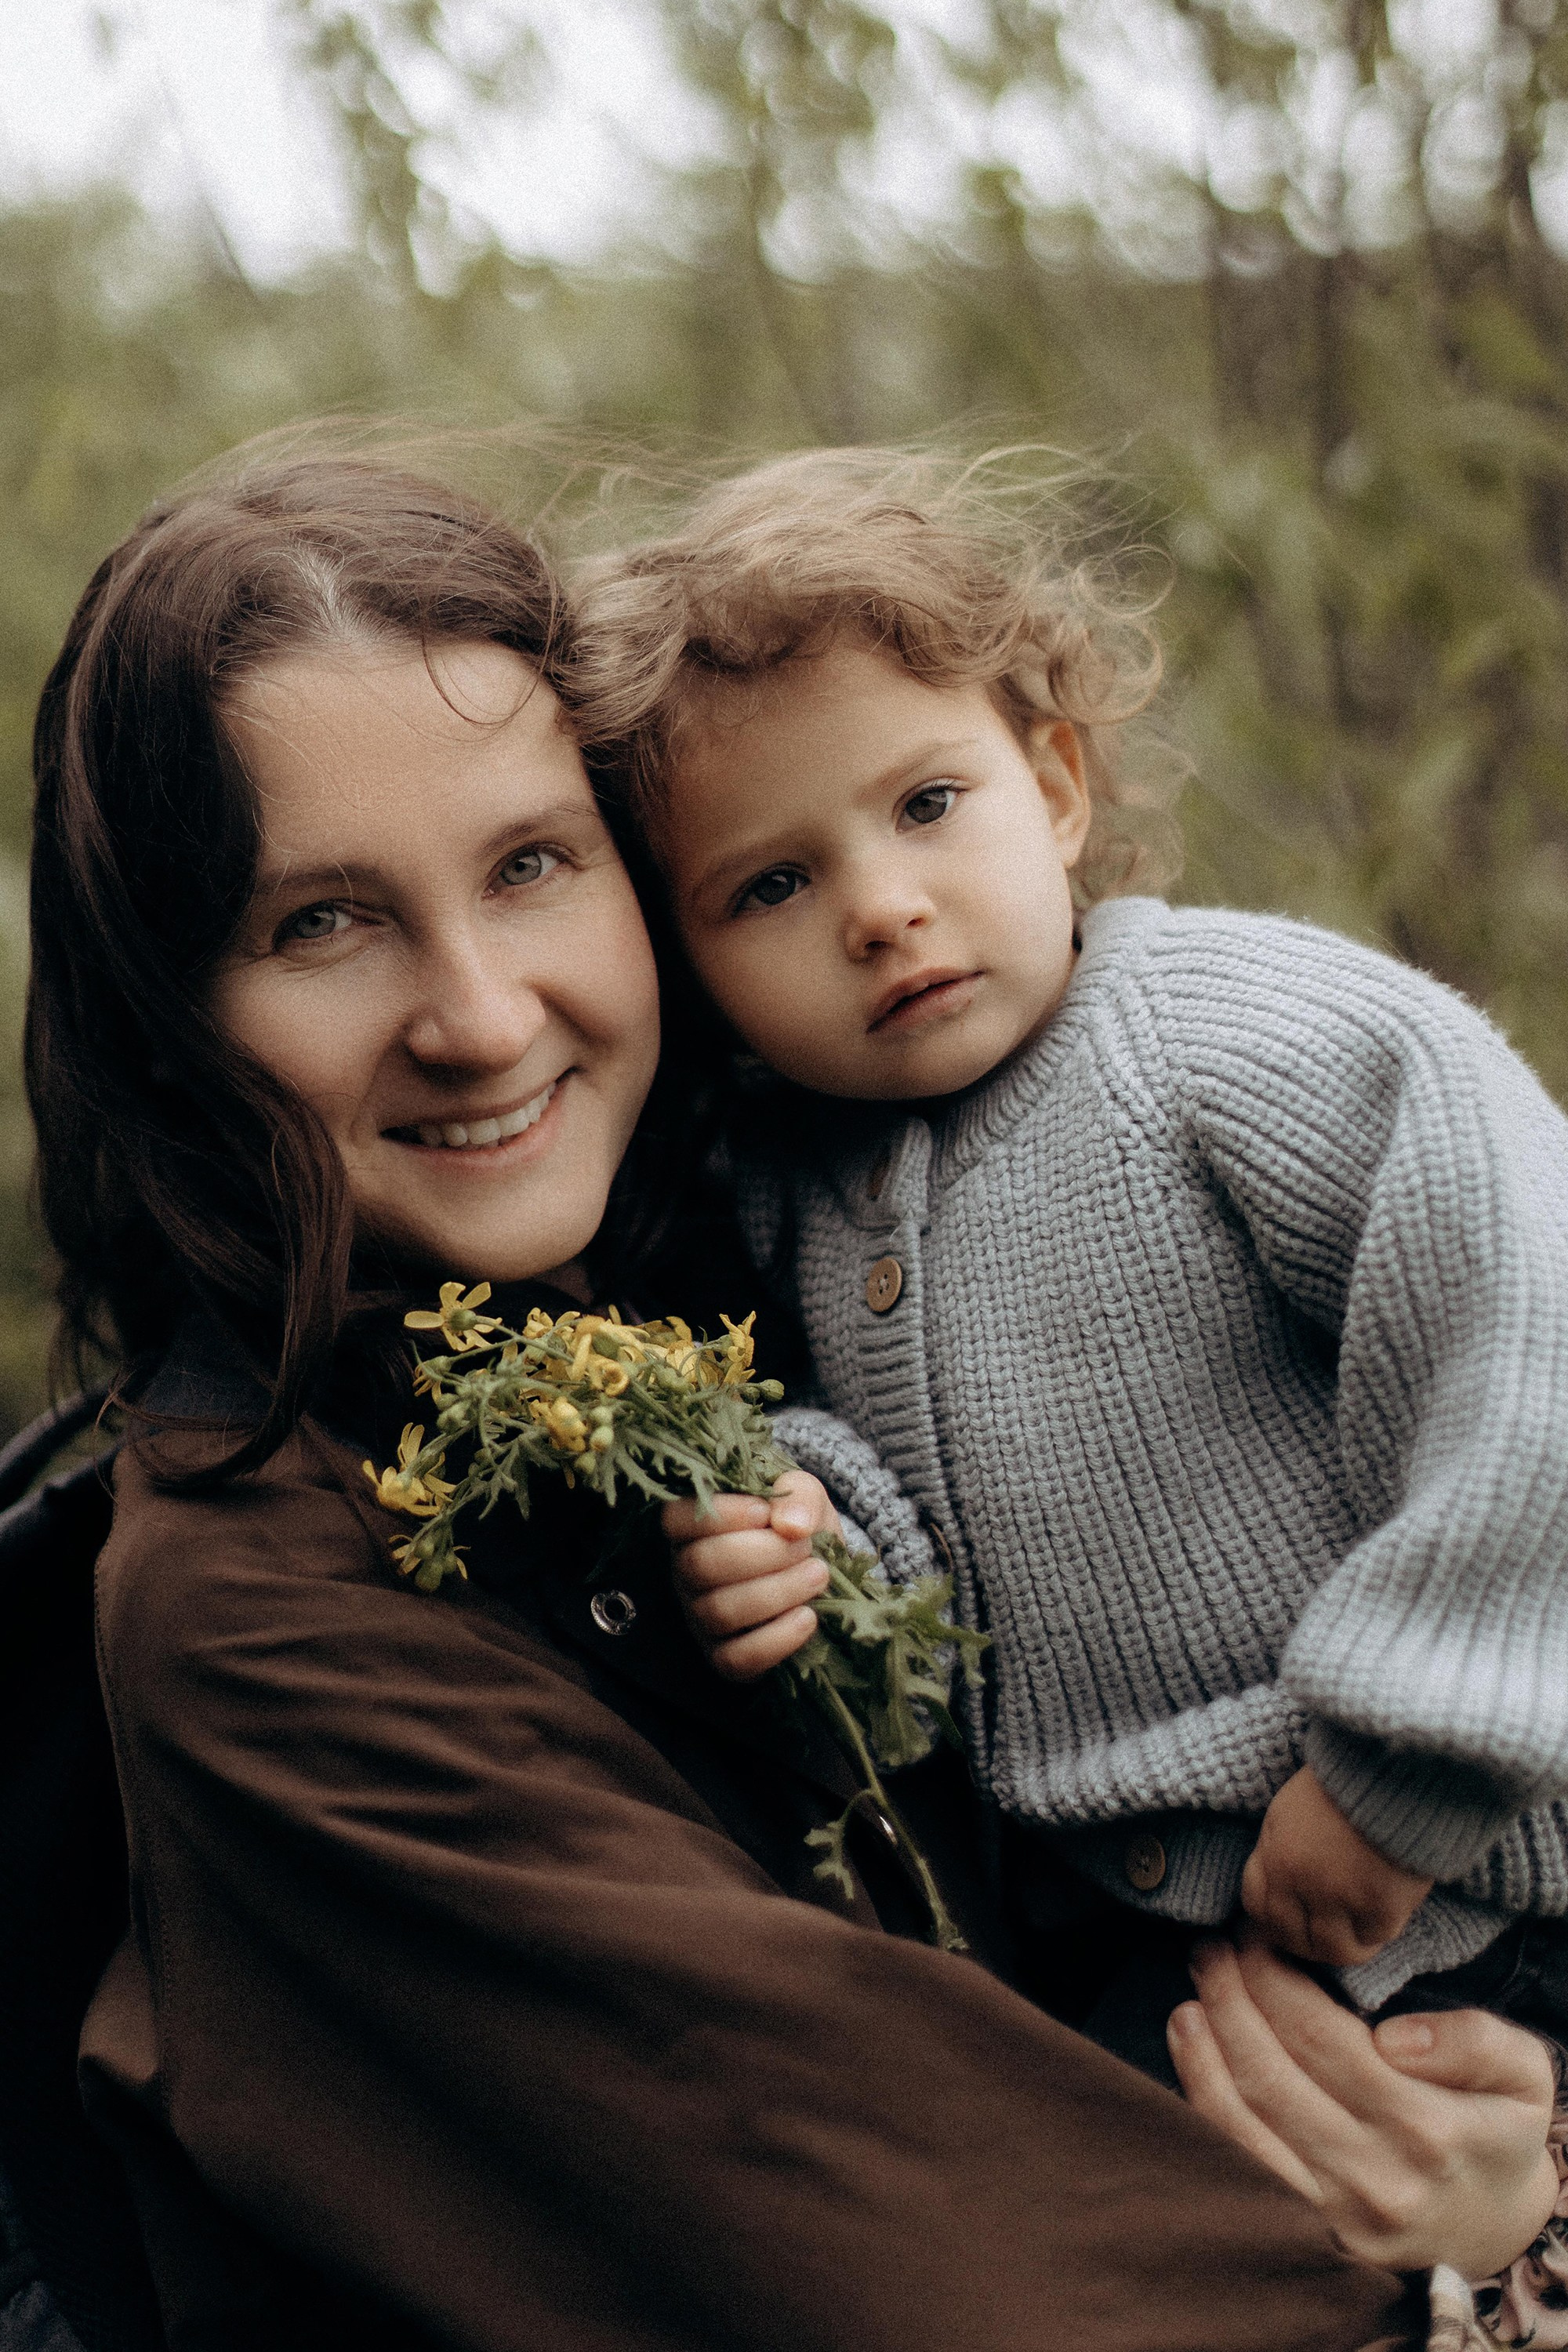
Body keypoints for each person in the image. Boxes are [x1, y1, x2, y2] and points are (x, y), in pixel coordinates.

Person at [18, 434, 1549, 2350]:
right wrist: (1459, 2273)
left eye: (530, 864)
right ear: (168, 1016)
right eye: (320, 921)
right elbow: (943, 2260)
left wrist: (1519, 2163)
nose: (482, 1014)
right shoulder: (264, 1615)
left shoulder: (745, 1247)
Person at [564, 447, 1568, 2312]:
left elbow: (1530, 1335)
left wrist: (1400, 1759)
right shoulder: (789, 1190)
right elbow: (924, 1539)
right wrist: (812, 1540)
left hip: (1450, 1888)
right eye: (772, 882)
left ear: (1055, 783)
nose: (879, 906)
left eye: (928, 804)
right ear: (689, 962)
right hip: (1140, 1949)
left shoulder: (1228, 1037)